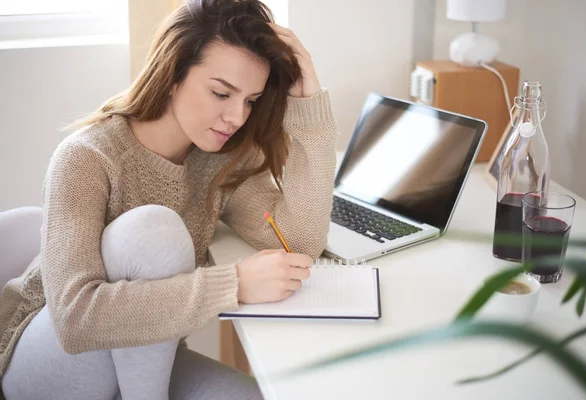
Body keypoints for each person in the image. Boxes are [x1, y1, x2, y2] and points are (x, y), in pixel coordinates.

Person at [0, 0, 337, 398]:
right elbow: (75, 321)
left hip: (144, 362)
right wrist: (234, 285)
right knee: (154, 230)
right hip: (45, 360)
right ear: (173, 73)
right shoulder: (87, 157)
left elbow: (296, 243)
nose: (237, 117)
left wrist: (310, 104)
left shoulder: (217, 158)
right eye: (220, 93)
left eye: (250, 100)